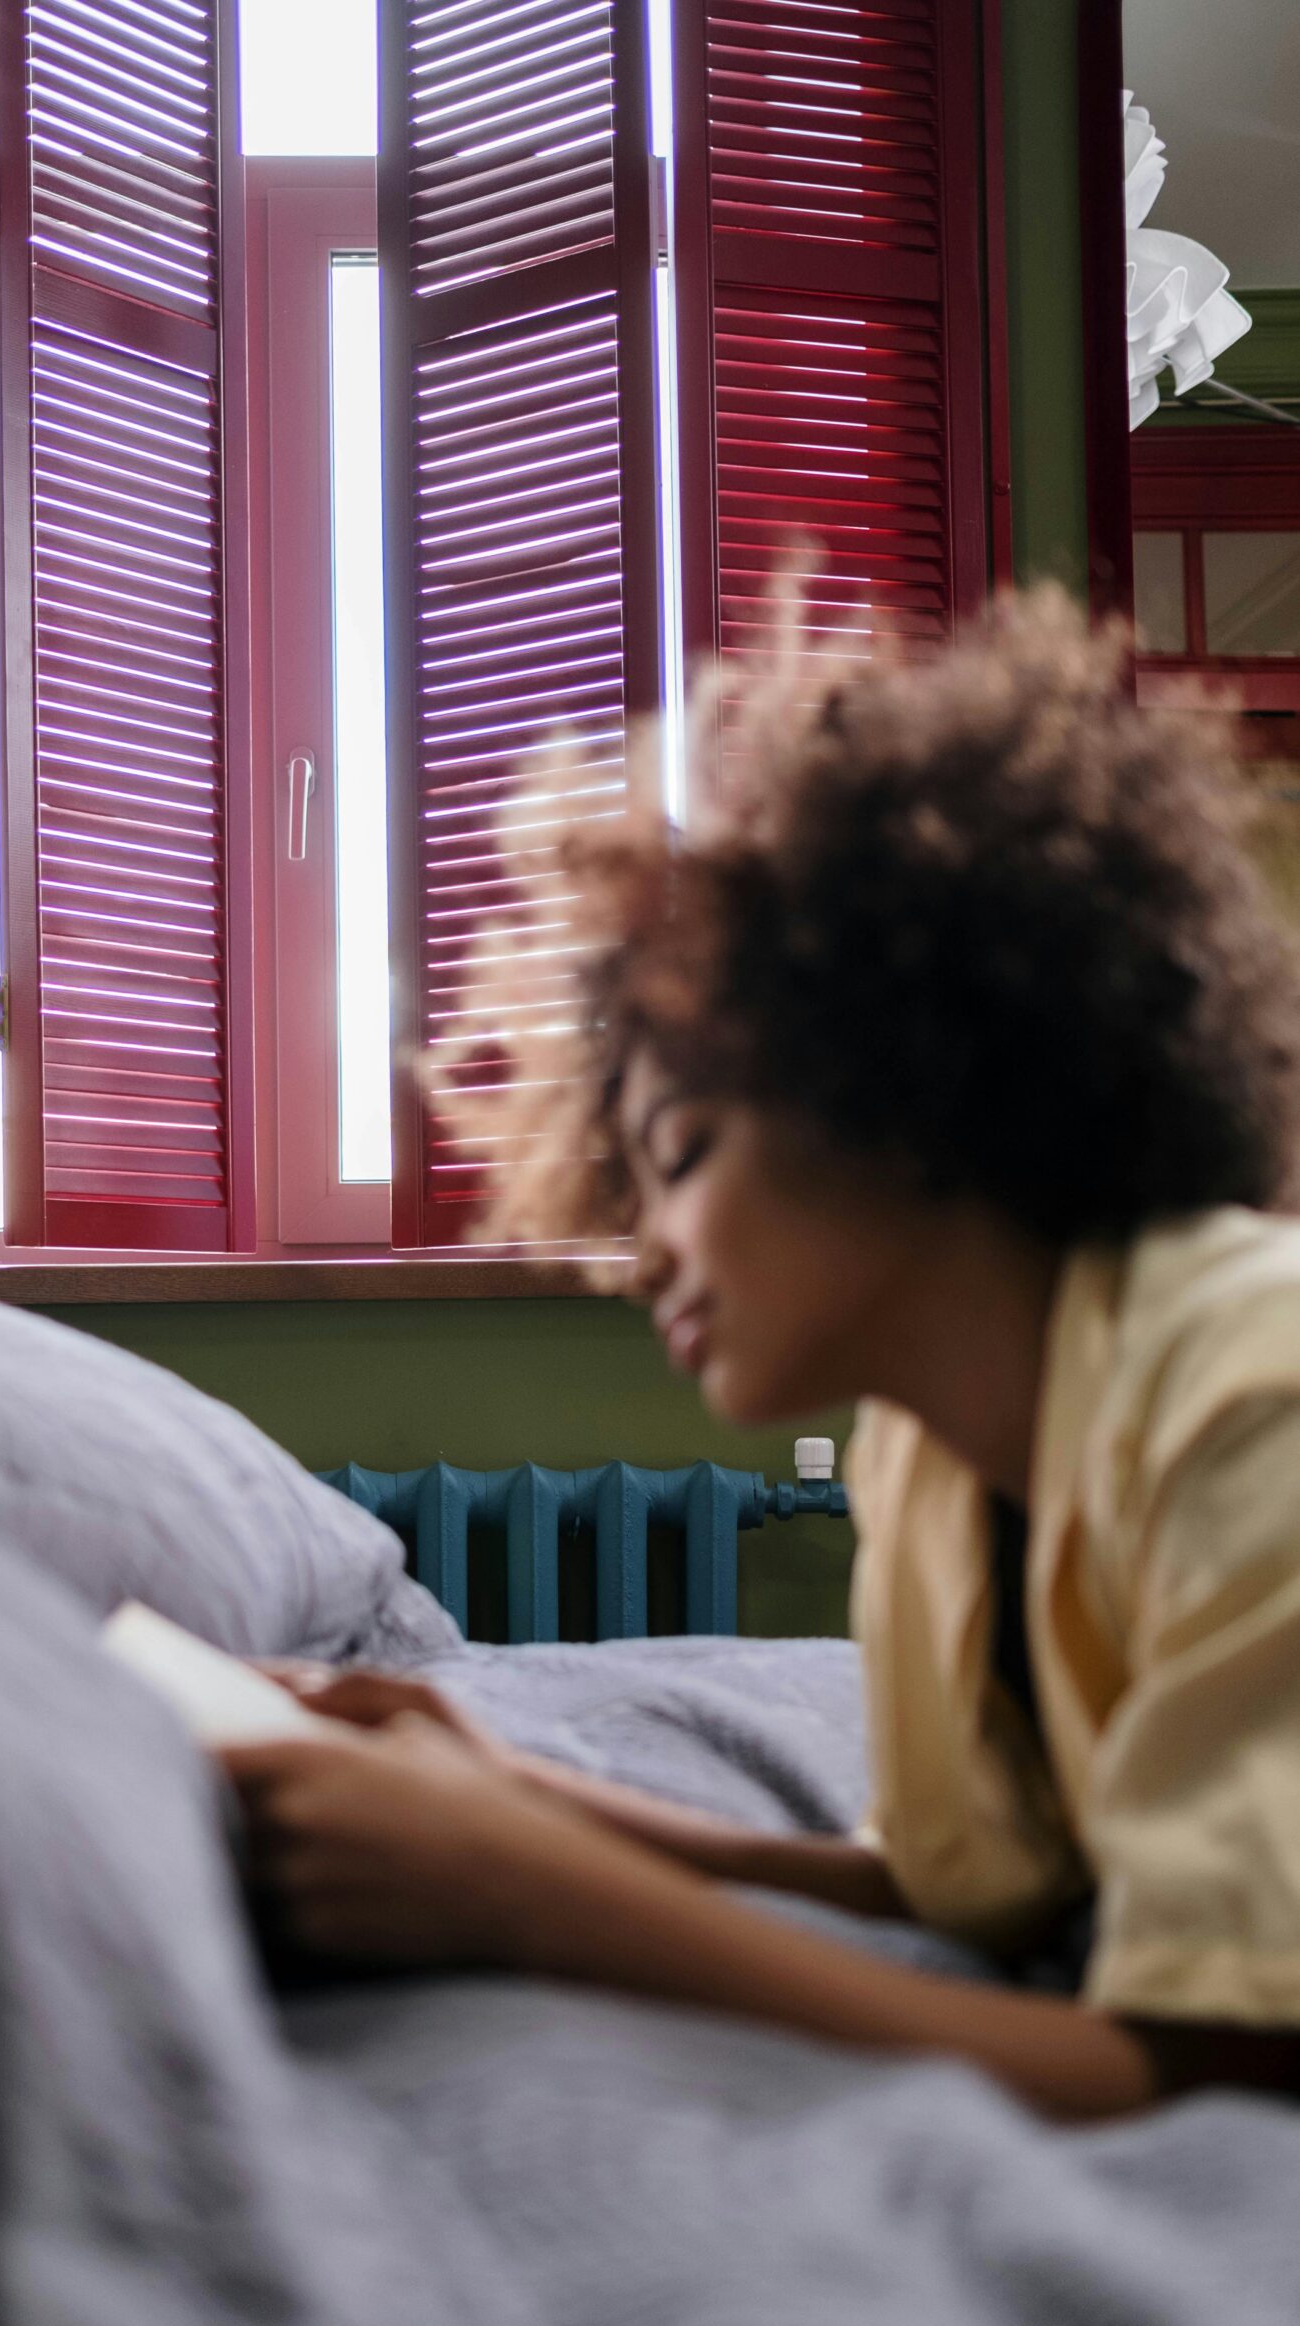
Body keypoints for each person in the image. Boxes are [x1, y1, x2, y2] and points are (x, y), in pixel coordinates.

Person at [224, 588, 1300, 2124]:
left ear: (903, 1089)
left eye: (686, 1152)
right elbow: (976, 1896)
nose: (643, 1252)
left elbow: (1214, 2064)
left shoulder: (1257, 1392)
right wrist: (505, 1790)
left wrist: (540, 1903)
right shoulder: (935, 1456)